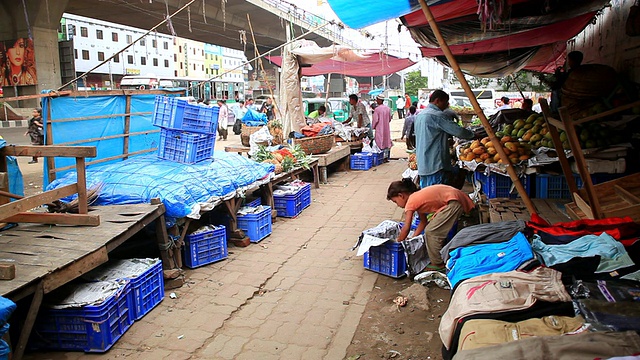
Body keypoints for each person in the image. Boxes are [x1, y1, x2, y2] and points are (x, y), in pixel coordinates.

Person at [387, 179, 475, 271]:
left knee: (431, 232)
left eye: (395, 201)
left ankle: (438, 263)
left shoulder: (411, 201)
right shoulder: (415, 198)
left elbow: (406, 227)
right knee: (431, 230)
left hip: (453, 201)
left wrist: (398, 241)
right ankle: (439, 256)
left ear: (401, 196)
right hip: (454, 199)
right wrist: (413, 237)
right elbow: (423, 222)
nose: (397, 205)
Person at [414, 90, 474, 188]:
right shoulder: (437, 115)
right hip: (435, 164)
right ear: (438, 101)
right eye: (445, 103)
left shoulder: (420, 115)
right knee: (438, 196)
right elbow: (459, 132)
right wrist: (474, 134)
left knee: (427, 195)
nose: (447, 106)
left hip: (423, 164)